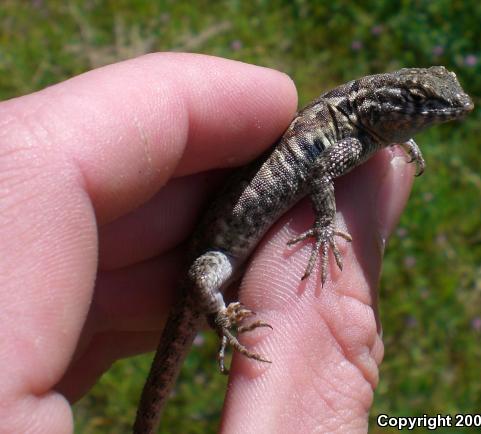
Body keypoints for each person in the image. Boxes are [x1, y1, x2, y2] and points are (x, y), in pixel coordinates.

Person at [0, 53, 415, 433]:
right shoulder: (355, 134)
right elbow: (323, 169)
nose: (444, 111)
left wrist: (402, 132)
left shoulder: (368, 127)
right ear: (387, 103)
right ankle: (219, 319)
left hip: (235, 229)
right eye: (420, 104)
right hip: (219, 249)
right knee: (205, 279)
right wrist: (326, 224)